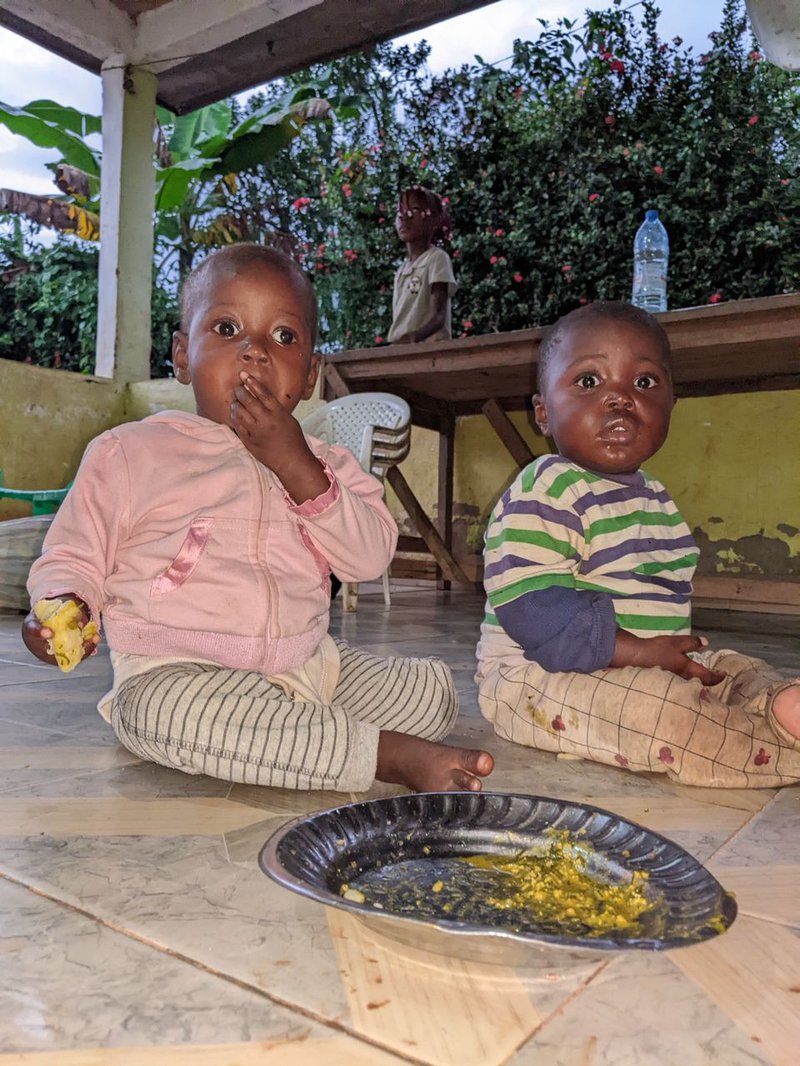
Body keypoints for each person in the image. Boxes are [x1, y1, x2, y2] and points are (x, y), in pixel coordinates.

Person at [23, 244, 494, 794]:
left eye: (284, 337)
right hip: (178, 671)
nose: (254, 351)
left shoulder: (328, 464)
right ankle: (379, 755)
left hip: (308, 666)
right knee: (157, 713)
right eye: (227, 328)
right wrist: (65, 602)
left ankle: (299, 732)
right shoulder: (129, 453)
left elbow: (368, 557)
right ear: (181, 355)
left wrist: (298, 467)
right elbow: (74, 553)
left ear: (311, 373)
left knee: (431, 698)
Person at [476, 301, 800, 788]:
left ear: (672, 403)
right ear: (543, 411)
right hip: (534, 677)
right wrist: (642, 655)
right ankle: (770, 748)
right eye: (589, 381)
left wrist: (674, 661)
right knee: (664, 713)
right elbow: (534, 611)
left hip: (648, 665)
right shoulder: (547, 486)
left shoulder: (658, 499)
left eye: (644, 382)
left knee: (731, 667)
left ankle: (776, 702)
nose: (620, 398)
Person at [387, 185, 456, 344]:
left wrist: (414, 338)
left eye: (415, 210)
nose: (405, 217)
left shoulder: (437, 258)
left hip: (429, 352)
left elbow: (438, 316)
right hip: (402, 351)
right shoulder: (401, 270)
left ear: (434, 220)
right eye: (400, 212)